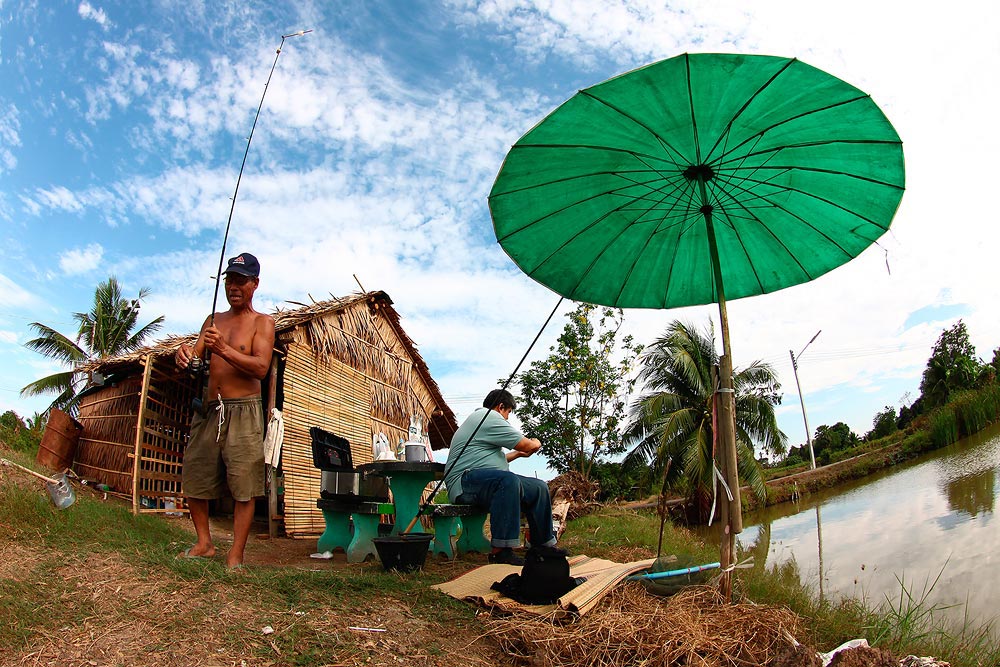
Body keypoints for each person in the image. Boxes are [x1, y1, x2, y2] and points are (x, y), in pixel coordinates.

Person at [174, 252, 275, 569]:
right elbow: (197, 357)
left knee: (244, 485)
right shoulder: (213, 320)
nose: (234, 286)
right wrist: (186, 356)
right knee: (195, 476)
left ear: (254, 284)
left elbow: (260, 367)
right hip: (209, 409)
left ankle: (235, 555)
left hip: (244, 411)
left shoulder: (263, 323)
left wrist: (224, 349)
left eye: (241, 280)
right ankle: (204, 543)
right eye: (230, 279)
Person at [444, 388, 563, 565]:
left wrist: (517, 455)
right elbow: (526, 444)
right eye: (508, 413)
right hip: (464, 482)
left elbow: (493, 460)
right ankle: (501, 551)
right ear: (501, 407)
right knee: (508, 481)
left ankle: (543, 546)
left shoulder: (481, 424)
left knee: (539, 487)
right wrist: (536, 443)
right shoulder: (486, 416)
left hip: (482, 480)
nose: (507, 419)